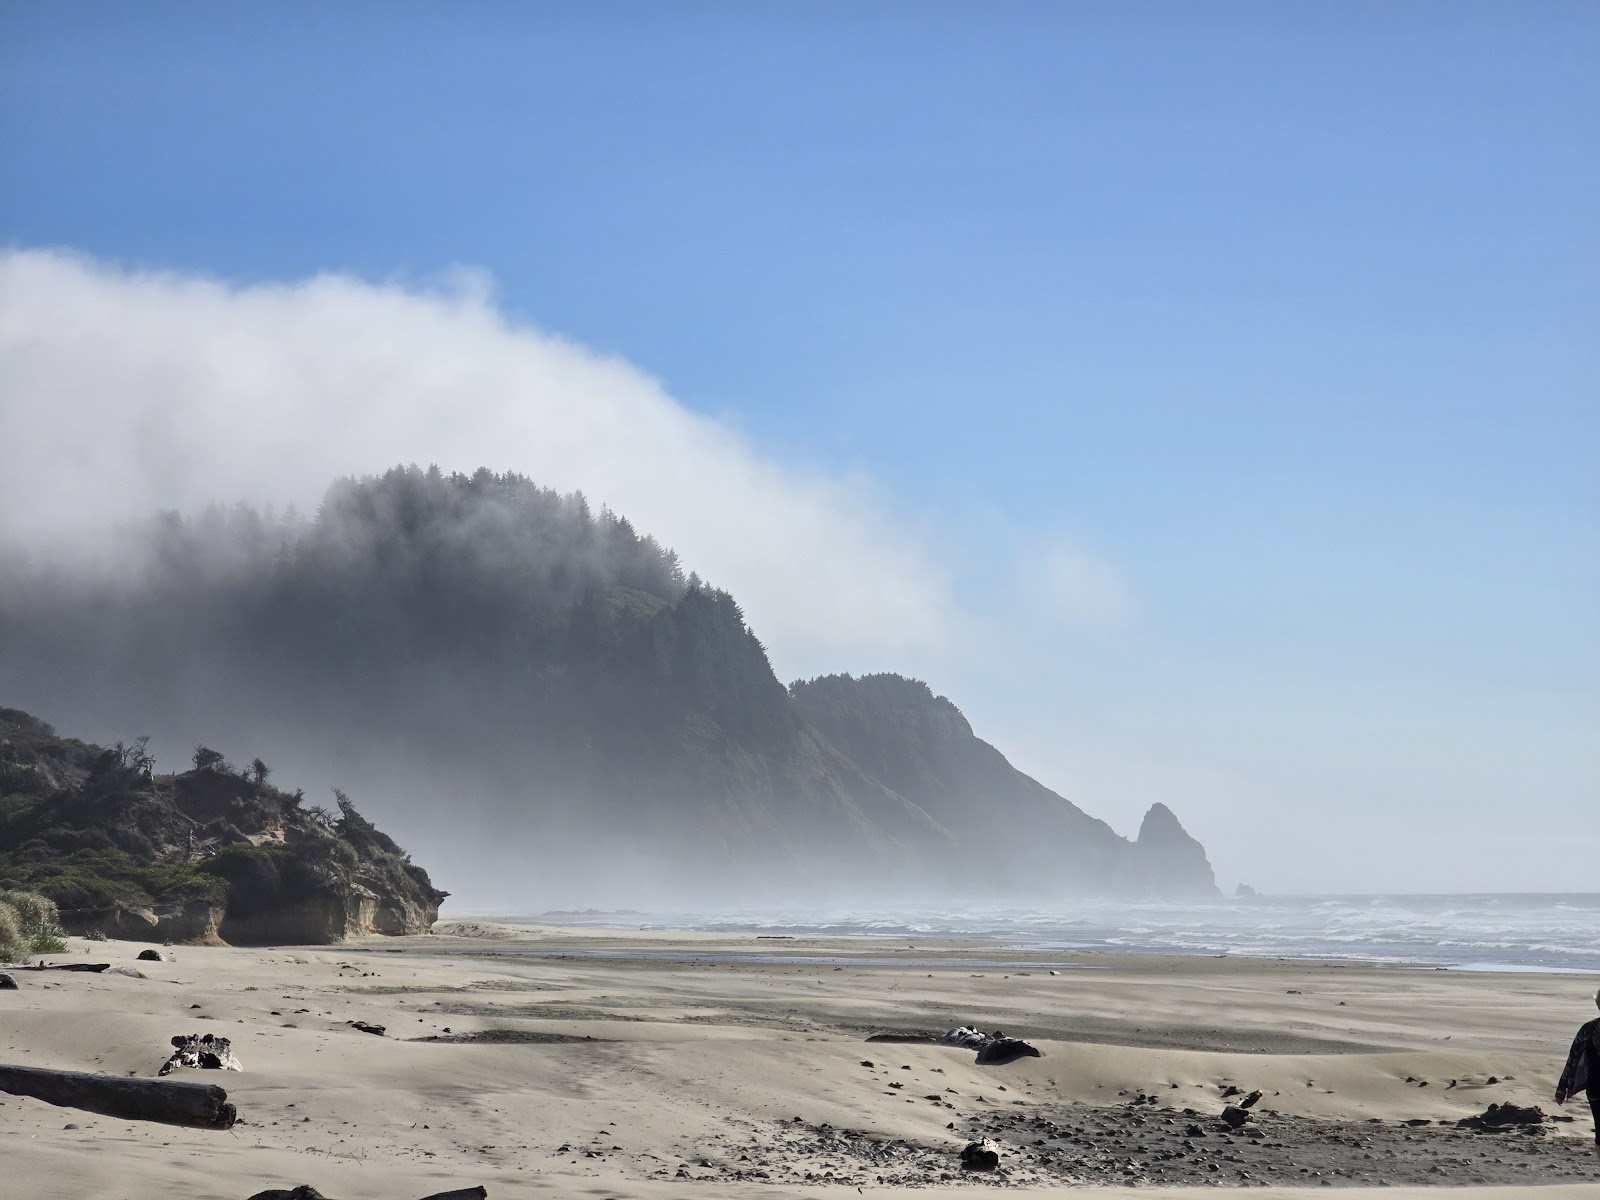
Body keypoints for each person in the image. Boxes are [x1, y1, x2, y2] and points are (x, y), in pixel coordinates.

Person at [1554, 987, 1600, 1161]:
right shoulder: (1588, 1029)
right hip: (1596, 1088)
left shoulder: (1588, 1029)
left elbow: (1572, 1059)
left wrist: (1561, 1089)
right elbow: (1573, 1058)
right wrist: (1561, 1089)